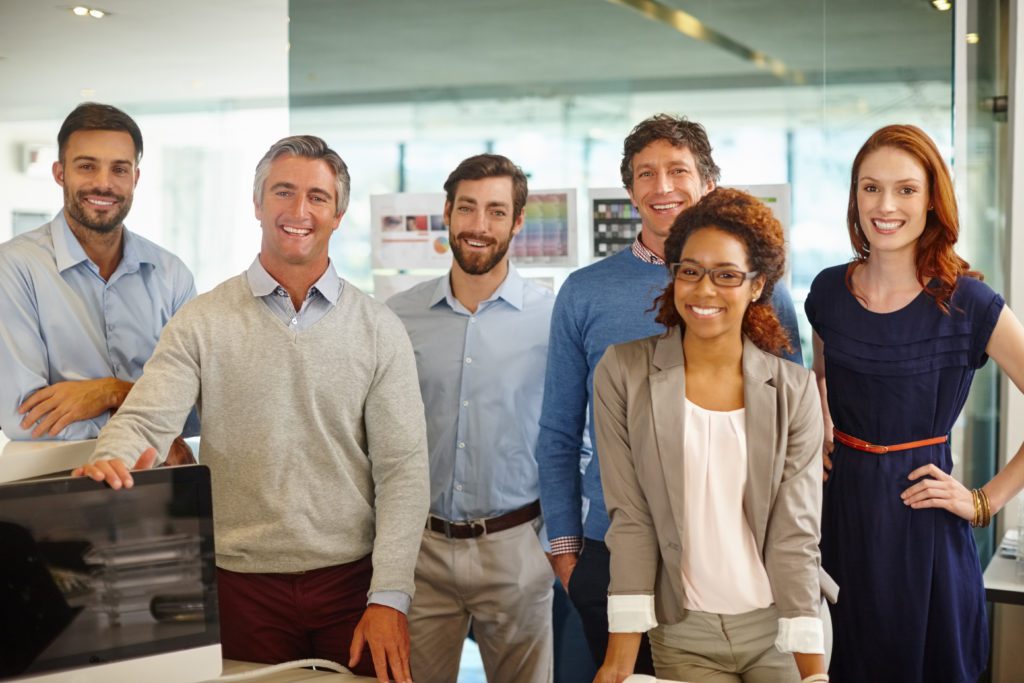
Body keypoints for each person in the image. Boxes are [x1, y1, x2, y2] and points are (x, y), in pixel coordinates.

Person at [75, 135, 430, 683]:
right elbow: (147, 418)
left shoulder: (379, 328)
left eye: (317, 197)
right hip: (240, 587)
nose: (298, 211)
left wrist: (390, 597)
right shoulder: (203, 321)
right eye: (283, 192)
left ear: (338, 214)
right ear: (257, 204)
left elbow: (403, 471)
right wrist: (111, 456)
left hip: (352, 587)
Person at [536, 113, 804, 672]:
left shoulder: (761, 288)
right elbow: (559, 433)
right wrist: (566, 553)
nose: (662, 187)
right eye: (645, 174)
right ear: (630, 188)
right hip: (615, 545)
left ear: (708, 182)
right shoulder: (585, 293)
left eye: (678, 171)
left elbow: (787, 430)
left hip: (736, 551)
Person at [805, 124, 1024, 682]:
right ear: (854, 196)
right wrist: (822, 435)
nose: (886, 205)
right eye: (870, 187)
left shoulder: (970, 302)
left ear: (932, 200)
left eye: (906, 189)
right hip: (838, 517)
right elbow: (821, 378)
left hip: (922, 519)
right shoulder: (828, 291)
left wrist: (984, 501)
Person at [594, 188, 831, 683]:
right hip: (683, 632)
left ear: (756, 284)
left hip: (778, 627)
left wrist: (814, 674)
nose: (704, 290)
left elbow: (796, 533)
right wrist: (618, 662)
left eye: (726, 275)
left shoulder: (794, 390)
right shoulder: (624, 371)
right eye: (690, 270)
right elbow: (632, 518)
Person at [388, 153, 555, 682]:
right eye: (467, 209)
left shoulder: (551, 319)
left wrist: (547, 547)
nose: (479, 226)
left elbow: (577, 437)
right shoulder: (396, 316)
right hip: (420, 553)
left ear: (518, 221)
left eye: (496, 212)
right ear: (447, 213)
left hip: (515, 550)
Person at [0, 102, 196, 461]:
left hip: (160, 484)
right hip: (56, 488)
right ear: (60, 173)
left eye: (119, 169)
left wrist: (110, 391)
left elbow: (195, 406)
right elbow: (23, 417)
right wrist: (151, 417)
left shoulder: (171, 275)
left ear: (135, 178)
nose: (104, 183)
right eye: (87, 166)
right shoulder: (15, 268)